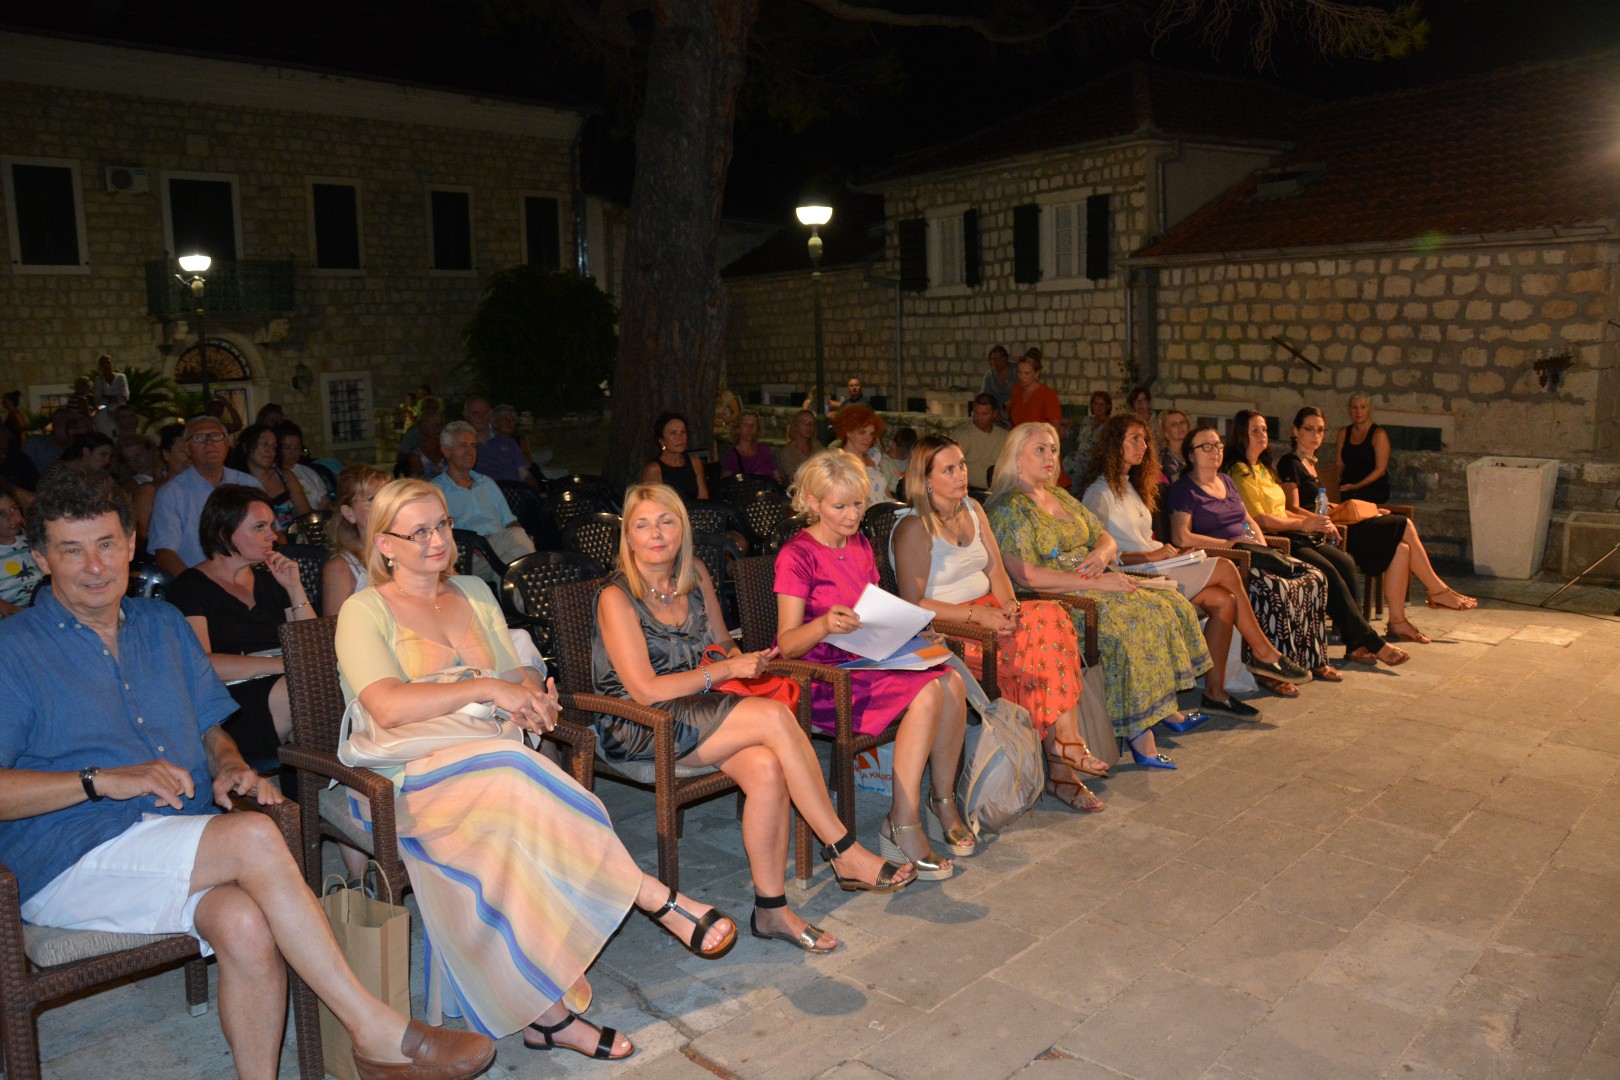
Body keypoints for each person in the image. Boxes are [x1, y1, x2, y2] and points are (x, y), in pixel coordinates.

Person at [0, 472, 495, 1080]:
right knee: (255, 835)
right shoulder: (13, 650)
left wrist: (230, 763)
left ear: (131, 544)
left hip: (170, 838)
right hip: (68, 857)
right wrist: (98, 779)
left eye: (106, 544)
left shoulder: (161, 625)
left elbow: (209, 728)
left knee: (246, 924)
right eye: (71, 550)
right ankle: (375, 1030)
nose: (95, 566)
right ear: (41, 558)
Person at [336, 478, 740, 1057]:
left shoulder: (472, 590)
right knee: (516, 770)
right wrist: (488, 689)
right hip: (403, 778)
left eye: (442, 524)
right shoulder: (363, 610)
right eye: (418, 532)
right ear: (384, 545)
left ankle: (546, 1019)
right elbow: (386, 706)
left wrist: (531, 697)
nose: (437, 540)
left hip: (492, 766)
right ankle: (653, 897)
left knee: (514, 796)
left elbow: (514, 671)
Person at [595, 484, 913, 950]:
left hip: (701, 704)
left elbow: (722, 641)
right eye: (642, 525)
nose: (656, 534)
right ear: (628, 536)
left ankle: (771, 910)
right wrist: (725, 671)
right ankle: (843, 850)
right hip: (642, 723)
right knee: (775, 719)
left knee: (766, 767)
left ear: (682, 528)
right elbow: (645, 690)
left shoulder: (695, 573)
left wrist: (743, 660)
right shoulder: (616, 596)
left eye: (666, 521)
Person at [774, 451, 973, 877]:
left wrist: (911, 631)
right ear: (812, 503)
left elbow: (874, 611)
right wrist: (824, 624)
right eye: (840, 506)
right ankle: (902, 821)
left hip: (865, 658)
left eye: (858, 504)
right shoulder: (797, 555)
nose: (852, 516)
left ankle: (942, 801)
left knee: (951, 681)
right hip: (821, 677)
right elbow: (787, 644)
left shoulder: (859, 544)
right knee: (927, 691)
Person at [894, 436, 1106, 811]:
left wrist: (1009, 607)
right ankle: (1061, 762)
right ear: (925, 480)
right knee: (1038, 650)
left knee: (1052, 616)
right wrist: (979, 616)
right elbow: (914, 604)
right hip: (951, 629)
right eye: (949, 469)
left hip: (990, 612)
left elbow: (995, 570)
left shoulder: (973, 508)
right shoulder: (915, 527)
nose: (961, 474)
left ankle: (1064, 742)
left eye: (962, 464)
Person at [988, 423, 1212, 769]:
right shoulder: (1008, 509)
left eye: (1053, 449)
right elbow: (1025, 576)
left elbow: (1104, 537)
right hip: (1061, 596)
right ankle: (1140, 734)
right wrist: (1092, 582)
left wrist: (1102, 554)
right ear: (1016, 458)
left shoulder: (1060, 496)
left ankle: (1163, 709)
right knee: (1133, 622)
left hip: (1096, 580)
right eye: (1040, 450)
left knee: (1169, 605)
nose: (1050, 457)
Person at [1080, 417, 1309, 722]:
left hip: (1156, 565)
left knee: (1224, 601)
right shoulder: (1098, 493)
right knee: (1225, 567)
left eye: (1144, 439)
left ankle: (1215, 694)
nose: (1143, 446)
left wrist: (1172, 553)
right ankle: (1264, 653)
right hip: (1134, 575)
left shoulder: (1132, 486)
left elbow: (1142, 538)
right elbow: (1098, 556)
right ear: (1114, 444)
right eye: (1134, 438)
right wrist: (1150, 554)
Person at [1225, 410, 1408, 670]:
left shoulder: (1264, 468)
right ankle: (1373, 642)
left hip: (1294, 532)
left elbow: (1283, 509)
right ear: (1241, 434)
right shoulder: (1238, 471)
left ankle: (1354, 644)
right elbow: (1260, 519)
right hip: (1275, 539)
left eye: (1264, 429)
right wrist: (1303, 522)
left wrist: (1312, 522)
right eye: (1255, 430)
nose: (1262, 435)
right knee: (1328, 572)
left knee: (1345, 562)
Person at [1279, 406, 1476, 641]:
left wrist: (1368, 511)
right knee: (1403, 524)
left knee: (1401, 549)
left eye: (1320, 430)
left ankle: (1398, 622)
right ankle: (1437, 590)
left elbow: (1321, 503)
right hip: (1325, 533)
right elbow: (1292, 507)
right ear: (1296, 431)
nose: (1315, 435)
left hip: (1334, 524)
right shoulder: (1290, 462)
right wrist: (1321, 520)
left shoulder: (1311, 464)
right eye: (1309, 429)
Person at [1167, 423, 1330, 696]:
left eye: (1217, 445)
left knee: (1313, 577)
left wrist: (1261, 545)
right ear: (1191, 455)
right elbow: (1181, 536)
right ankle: (1268, 668)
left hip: (1248, 551)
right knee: (1272, 587)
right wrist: (1230, 545)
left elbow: (1247, 521)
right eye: (1205, 446)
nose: (1214, 451)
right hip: (1223, 557)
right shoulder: (1186, 489)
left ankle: (1304, 658)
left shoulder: (1226, 481)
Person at [167, 485, 314, 764]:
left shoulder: (272, 581)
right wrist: (284, 665)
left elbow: (312, 645)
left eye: (270, 525)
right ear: (224, 533)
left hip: (287, 683)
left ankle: (322, 776)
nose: (273, 535)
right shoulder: (190, 588)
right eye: (259, 527)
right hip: (231, 704)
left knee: (322, 686)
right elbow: (202, 665)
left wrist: (295, 588)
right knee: (307, 689)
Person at [148, 416, 263, 577]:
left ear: (226, 444)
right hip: (199, 581)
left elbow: (272, 533)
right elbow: (165, 553)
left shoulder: (248, 484)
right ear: (187, 448)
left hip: (252, 578)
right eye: (199, 438)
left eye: (215, 436)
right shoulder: (172, 493)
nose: (209, 442)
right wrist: (197, 585)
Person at [431, 420, 536, 579]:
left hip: (500, 550)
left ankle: (510, 595)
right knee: (517, 539)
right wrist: (473, 544)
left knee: (510, 565)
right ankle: (540, 587)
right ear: (446, 451)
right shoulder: (435, 491)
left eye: (473, 446)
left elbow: (510, 521)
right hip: (468, 557)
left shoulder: (487, 483)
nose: (470, 452)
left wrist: (521, 536)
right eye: (463, 446)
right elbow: (435, 533)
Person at [322, 465, 391, 617]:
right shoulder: (340, 568)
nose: (384, 505)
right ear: (349, 513)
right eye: (372, 499)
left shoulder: (405, 551)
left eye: (387, 497)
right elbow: (334, 628)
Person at [233, 423, 313, 537]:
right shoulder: (237, 483)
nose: (270, 450)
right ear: (246, 447)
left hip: (295, 540)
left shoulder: (285, 476)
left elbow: (305, 513)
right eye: (264, 443)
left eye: (274, 446)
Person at [1008, 353, 1071, 488]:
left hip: (1041, 449)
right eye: (1020, 372)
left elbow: (1054, 429)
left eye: (1027, 373)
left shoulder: (1047, 394)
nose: (1022, 377)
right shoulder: (1016, 391)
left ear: (1036, 374)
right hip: (1021, 448)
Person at [132, 422, 188, 556]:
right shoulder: (150, 491)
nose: (189, 458)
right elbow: (140, 536)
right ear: (166, 454)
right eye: (183, 452)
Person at [1335, 392, 1392, 504]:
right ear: (1350, 410)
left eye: (1363, 407)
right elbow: (1339, 464)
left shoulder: (1379, 434)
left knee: (1353, 500)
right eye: (1354, 408)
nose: (1358, 412)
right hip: (1348, 484)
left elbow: (1380, 470)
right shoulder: (1343, 433)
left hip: (1373, 487)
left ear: (1369, 410)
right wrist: (1335, 482)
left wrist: (1356, 486)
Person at [642, 411, 710, 503]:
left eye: (683, 432)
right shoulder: (654, 470)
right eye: (673, 433)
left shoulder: (695, 462)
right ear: (661, 440)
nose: (680, 438)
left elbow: (704, 500)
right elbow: (652, 505)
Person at [830, 403, 889, 505]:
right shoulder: (837, 461)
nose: (868, 438)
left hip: (885, 510)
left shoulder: (874, 457)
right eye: (862, 433)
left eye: (871, 434)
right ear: (847, 432)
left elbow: (886, 493)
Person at [462, 395, 527, 485]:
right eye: (475, 413)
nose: (480, 417)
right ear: (466, 416)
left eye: (485, 412)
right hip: (481, 491)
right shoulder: (461, 445)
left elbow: (524, 474)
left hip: (513, 489)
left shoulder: (507, 441)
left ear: (490, 414)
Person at [951, 393, 1009, 489]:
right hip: (971, 489)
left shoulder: (1004, 435)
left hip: (999, 489)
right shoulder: (962, 435)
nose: (979, 418)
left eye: (984, 414)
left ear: (994, 414)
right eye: (976, 413)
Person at [0, 484, 41, 616]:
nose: (12, 518)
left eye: (14, 509)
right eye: (1, 514)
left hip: (44, 602)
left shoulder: (30, 541)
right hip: (14, 612)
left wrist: (35, 535)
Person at [273, 421, 332, 511]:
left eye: (297, 448)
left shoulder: (309, 472)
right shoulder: (273, 475)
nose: (293, 452)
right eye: (287, 448)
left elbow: (325, 503)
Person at [721, 411, 781, 482]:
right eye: (746, 425)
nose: (750, 428)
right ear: (738, 429)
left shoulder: (764, 449)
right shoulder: (732, 456)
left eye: (753, 425)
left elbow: (777, 476)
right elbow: (726, 481)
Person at [776, 408, 825, 482]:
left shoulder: (817, 445)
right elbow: (793, 479)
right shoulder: (787, 452)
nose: (809, 426)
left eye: (812, 423)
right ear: (795, 426)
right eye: (804, 423)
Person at [402, 409, 448, 480]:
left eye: (440, 424)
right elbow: (418, 480)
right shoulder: (416, 455)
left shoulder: (448, 448)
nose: (438, 428)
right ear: (423, 428)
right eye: (433, 425)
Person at [877, 426, 917, 497]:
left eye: (909, 453)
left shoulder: (907, 460)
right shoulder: (885, 463)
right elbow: (887, 488)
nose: (906, 456)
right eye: (903, 452)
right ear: (894, 445)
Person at [980, 345, 1015, 424]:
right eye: (993, 359)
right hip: (997, 410)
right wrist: (995, 410)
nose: (995, 362)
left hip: (1015, 408)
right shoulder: (989, 375)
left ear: (1005, 359)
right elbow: (986, 396)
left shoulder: (1016, 371)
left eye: (997, 359)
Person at [1157, 409, 1191, 485]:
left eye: (1182, 422)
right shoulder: (1162, 461)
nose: (1180, 426)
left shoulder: (1195, 454)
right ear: (1166, 433)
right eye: (1174, 424)